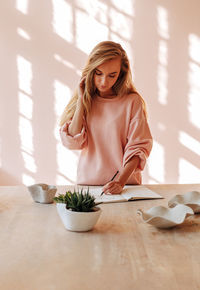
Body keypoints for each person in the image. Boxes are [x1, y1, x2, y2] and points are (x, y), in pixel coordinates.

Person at [59, 41, 153, 194]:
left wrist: (119, 182)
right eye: (99, 73)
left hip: (126, 187)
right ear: (91, 71)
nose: (104, 82)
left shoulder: (132, 102)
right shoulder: (86, 101)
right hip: (89, 187)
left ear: (121, 74)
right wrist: (82, 102)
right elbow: (72, 143)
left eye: (112, 75)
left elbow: (138, 148)